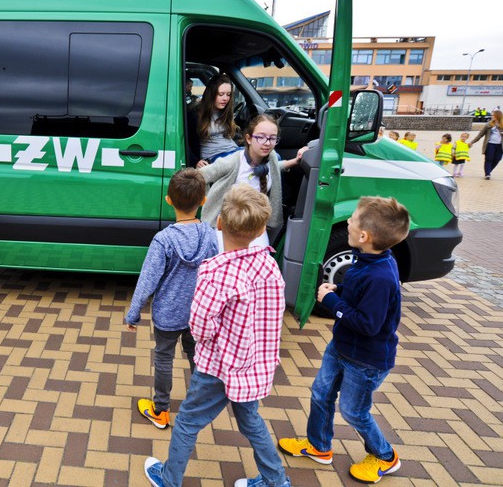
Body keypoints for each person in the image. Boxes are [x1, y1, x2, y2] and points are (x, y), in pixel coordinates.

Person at [144, 184, 291, 487]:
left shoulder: (215, 271)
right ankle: (276, 481)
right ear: (261, 227)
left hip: (218, 366)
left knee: (187, 421)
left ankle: (169, 479)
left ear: (220, 223)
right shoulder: (268, 265)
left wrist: (211, 337)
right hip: (252, 365)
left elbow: (199, 325)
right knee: (251, 422)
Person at [278, 196, 411, 484]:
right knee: (320, 394)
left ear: (364, 236)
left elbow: (368, 324)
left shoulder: (381, 276)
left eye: (352, 218)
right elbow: (357, 292)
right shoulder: (367, 260)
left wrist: (332, 300)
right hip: (341, 348)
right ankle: (319, 446)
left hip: (365, 361)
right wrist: (338, 287)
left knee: (354, 411)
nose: (347, 221)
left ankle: (385, 456)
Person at [125, 168, 218, 429]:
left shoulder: (163, 240)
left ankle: (161, 409)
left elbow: (147, 280)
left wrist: (134, 313)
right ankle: (198, 405)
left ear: (169, 200)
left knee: (164, 357)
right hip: (199, 312)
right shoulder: (211, 236)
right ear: (203, 200)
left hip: (168, 313)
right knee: (196, 356)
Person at [199, 114, 304, 246]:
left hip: (255, 226)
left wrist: (295, 161)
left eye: (272, 138)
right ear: (248, 138)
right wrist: (208, 199)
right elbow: (199, 177)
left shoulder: (271, 157)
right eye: (260, 137)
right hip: (228, 229)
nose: (267, 143)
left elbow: (275, 168)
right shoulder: (232, 162)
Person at [188, 74, 241, 168]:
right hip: (215, 157)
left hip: (233, 151)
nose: (225, 98)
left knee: (273, 156)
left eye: (228, 94)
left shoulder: (225, 112)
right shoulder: (196, 114)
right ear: (211, 94)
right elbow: (185, 142)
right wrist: (195, 161)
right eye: (221, 94)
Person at [470, 109, 503, 180]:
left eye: (494, 115)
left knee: (497, 159)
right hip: (490, 144)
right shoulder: (488, 125)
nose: (492, 116)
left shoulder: (502, 125)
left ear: (498, 116)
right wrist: (472, 142)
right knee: (489, 159)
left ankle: (489, 170)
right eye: (492, 115)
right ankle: (487, 174)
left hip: (500, 145)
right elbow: (480, 134)